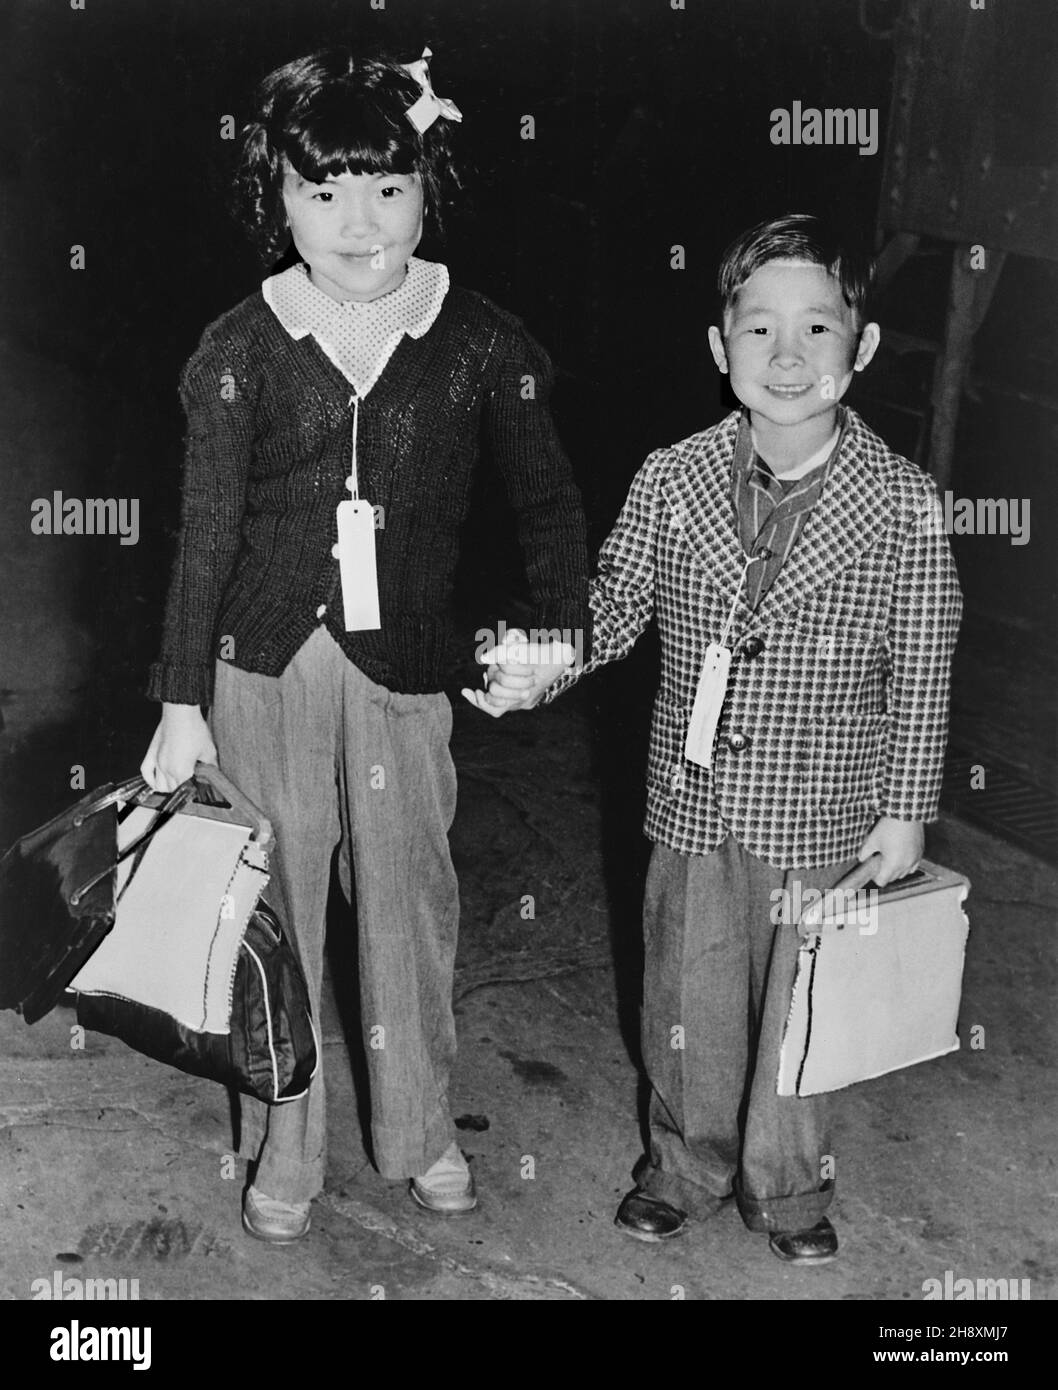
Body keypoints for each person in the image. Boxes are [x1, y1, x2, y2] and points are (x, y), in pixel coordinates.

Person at [141, 46, 589, 1243]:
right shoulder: (238, 347)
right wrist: (181, 698)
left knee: (409, 899)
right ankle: (284, 1140)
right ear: (273, 198)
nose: (356, 220)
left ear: (428, 190)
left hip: (406, 675)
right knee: (270, 910)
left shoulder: (483, 343)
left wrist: (557, 633)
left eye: (387, 188)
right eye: (322, 189)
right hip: (259, 670)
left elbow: (545, 506)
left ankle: (420, 1128)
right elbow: (203, 534)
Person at [467, 213, 962, 1263]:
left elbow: (921, 667)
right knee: (685, 997)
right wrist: (541, 658)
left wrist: (907, 810)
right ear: (716, 347)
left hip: (824, 809)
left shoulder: (904, 505)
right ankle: (684, 1162)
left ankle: (785, 1188)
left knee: (799, 1007)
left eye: (817, 330)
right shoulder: (670, 477)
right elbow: (611, 606)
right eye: (758, 331)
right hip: (692, 799)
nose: (786, 357)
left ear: (860, 349)